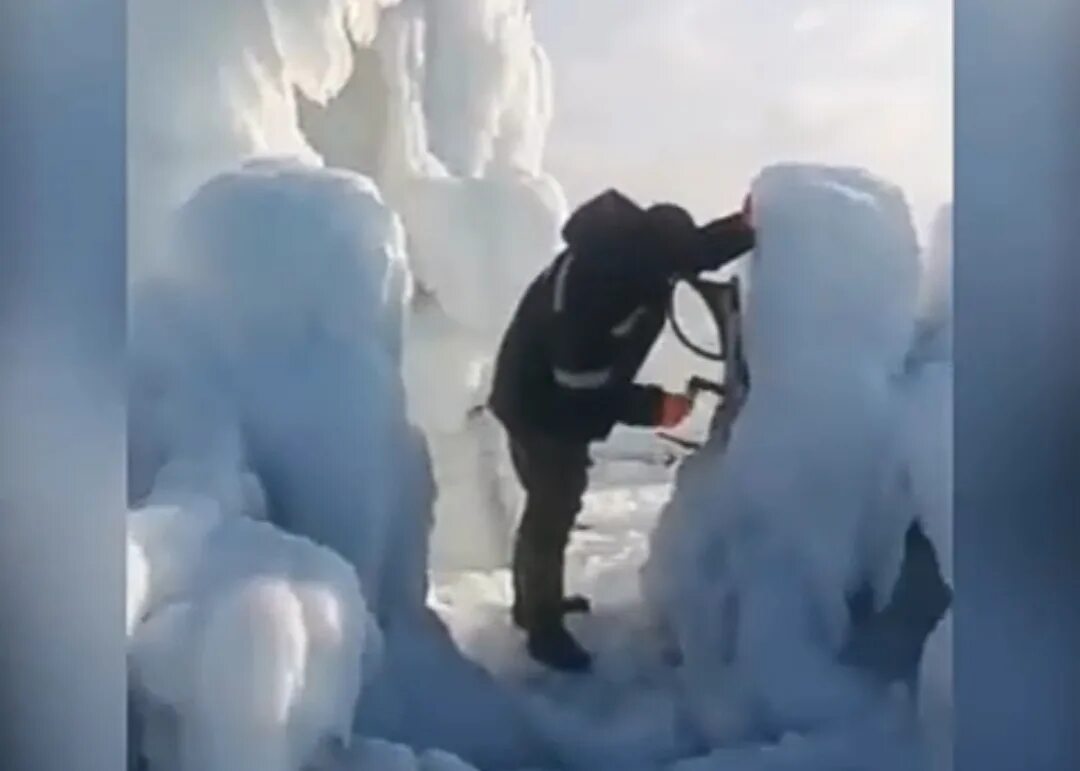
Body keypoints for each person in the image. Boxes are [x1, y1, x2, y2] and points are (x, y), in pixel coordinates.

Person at [488, 188, 756, 671]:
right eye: (671, 273)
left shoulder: (634, 250)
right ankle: (541, 625)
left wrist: (743, 227)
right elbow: (580, 388)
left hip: (549, 394)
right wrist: (654, 406)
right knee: (553, 504)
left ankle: (537, 599)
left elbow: (694, 250)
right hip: (539, 405)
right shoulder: (595, 289)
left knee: (554, 502)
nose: (676, 279)